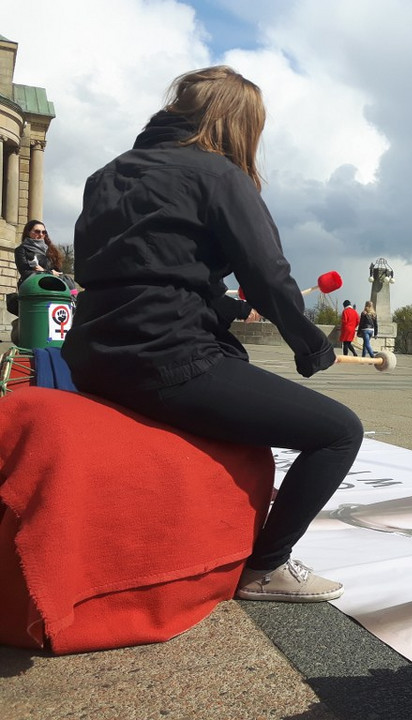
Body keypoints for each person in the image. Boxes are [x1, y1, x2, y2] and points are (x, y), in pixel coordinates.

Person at [61, 66, 364, 603]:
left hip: (90, 355)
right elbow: (269, 275)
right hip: (166, 357)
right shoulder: (219, 175)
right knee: (339, 431)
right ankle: (266, 567)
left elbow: (135, 267)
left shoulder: (106, 174)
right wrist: (313, 347)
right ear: (237, 124)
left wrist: (220, 306)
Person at [14, 220, 67, 286]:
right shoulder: (21, 250)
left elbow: (58, 272)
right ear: (28, 232)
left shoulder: (51, 250)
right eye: (37, 231)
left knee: (68, 280)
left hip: (52, 284)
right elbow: (25, 272)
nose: (41, 234)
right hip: (33, 285)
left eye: (44, 232)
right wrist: (49, 273)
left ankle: (74, 295)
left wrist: (43, 270)